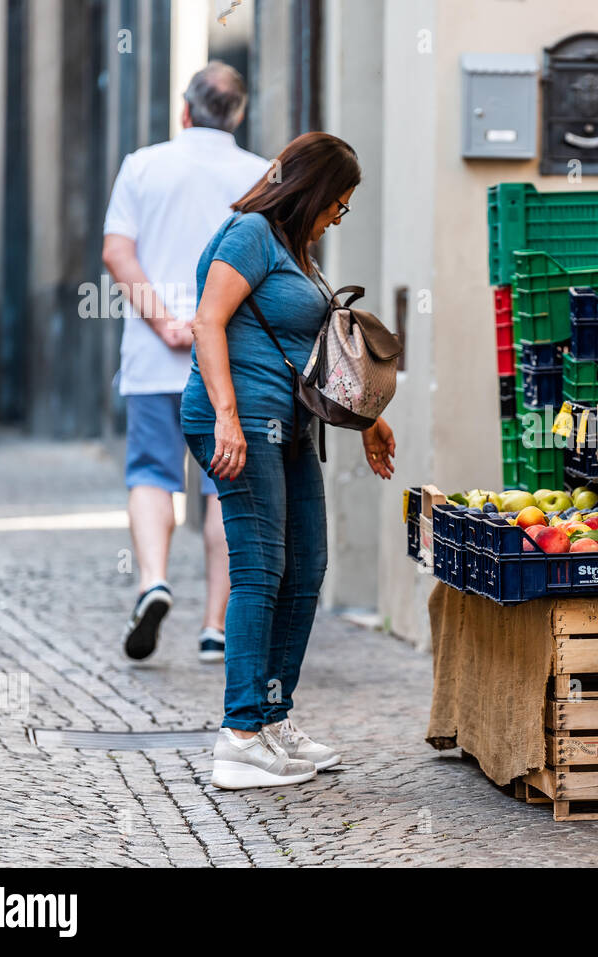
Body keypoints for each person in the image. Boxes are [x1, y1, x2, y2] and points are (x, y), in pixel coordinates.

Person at [181, 131, 397, 790]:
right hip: (238, 421)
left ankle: (271, 718)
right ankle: (239, 735)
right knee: (260, 567)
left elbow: (314, 351)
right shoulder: (250, 233)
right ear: (312, 189)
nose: (340, 215)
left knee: (307, 566)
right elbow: (207, 322)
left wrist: (367, 418)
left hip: (290, 424)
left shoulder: (296, 253)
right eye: (339, 201)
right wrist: (225, 414)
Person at [103, 61, 270, 664]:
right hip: (232, 364)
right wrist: (206, 326)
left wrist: (164, 322)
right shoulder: (260, 177)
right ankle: (214, 627)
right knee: (223, 486)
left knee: (151, 473)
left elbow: (118, 253)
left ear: (184, 110)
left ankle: (152, 580)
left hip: (154, 359)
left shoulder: (143, 165)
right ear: (239, 114)